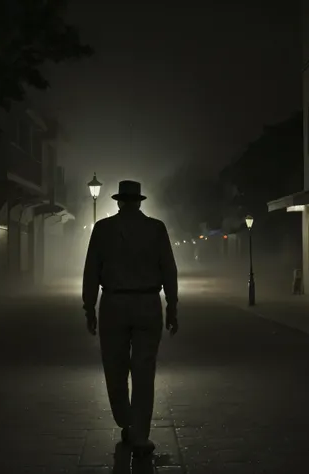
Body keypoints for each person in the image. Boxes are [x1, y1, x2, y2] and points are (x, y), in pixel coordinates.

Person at [82, 180, 179, 458]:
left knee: (114, 367)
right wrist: (172, 306)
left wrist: (89, 307)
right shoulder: (156, 228)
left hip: (113, 303)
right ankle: (140, 434)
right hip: (148, 302)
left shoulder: (103, 229)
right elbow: (168, 270)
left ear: (118, 202)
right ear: (139, 202)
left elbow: (91, 270)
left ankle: (125, 419)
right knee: (144, 370)